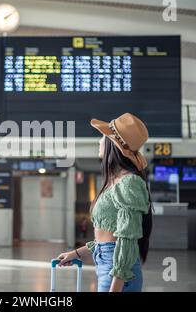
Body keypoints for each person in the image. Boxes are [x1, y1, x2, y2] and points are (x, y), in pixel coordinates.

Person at [56, 113, 153, 292]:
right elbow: (106, 239)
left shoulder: (129, 182)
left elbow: (126, 240)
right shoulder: (114, 181)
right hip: (109, 266)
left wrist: (115, 286)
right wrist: (76, 253)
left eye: (102, 137)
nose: (99, 142)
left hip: (119, 272)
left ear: (113, 145)